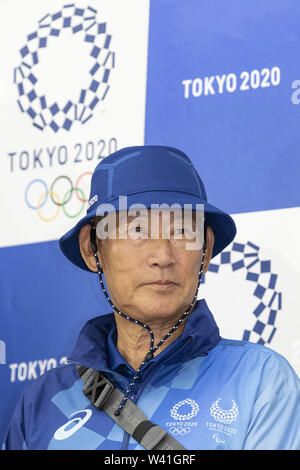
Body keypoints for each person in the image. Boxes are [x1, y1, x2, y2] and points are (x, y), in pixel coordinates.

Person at [2, 145, 300, 450]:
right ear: (93, 250)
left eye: (182, 229)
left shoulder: (259, 382)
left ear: (206, 251)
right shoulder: (42, 403)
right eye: (137, 229)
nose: (162, 255)